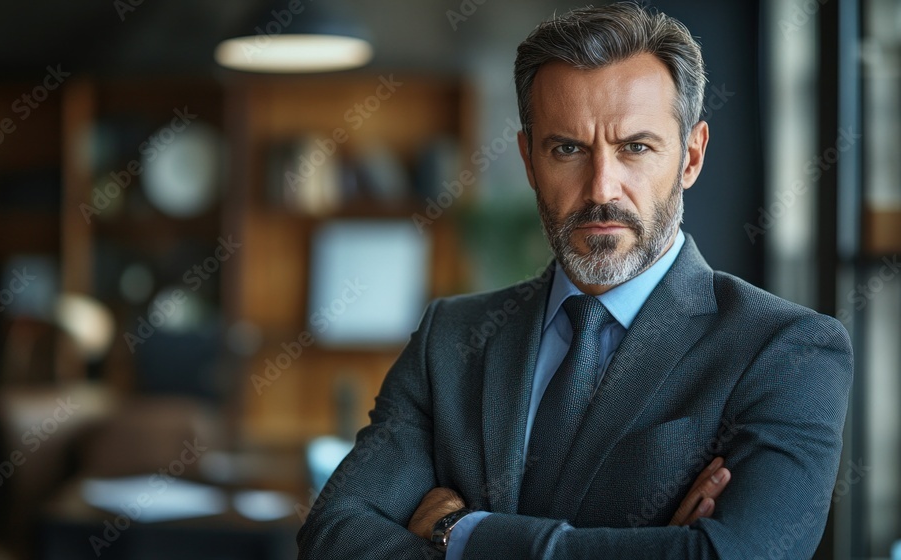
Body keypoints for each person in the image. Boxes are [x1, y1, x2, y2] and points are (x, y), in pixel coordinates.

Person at [296, 3, 853, 558]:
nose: (601, 188)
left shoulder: (788, 351)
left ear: (691, 156)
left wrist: (460, 534)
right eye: (568, 149)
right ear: (529, 159)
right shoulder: (451, 339)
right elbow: (333, 537)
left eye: (635, 147)